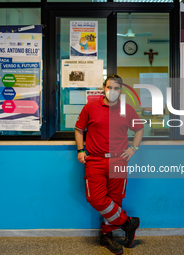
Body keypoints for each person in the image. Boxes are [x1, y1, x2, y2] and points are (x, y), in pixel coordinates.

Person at [75, 74, 144, 254]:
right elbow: (79, 129)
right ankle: (128, 223)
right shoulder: (91, 107)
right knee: (96, 199)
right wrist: (80, 150)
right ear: (103, 88)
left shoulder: (127, 109)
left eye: (116, 88)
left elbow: (139, 128)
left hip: (118, 160)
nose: (112, 91)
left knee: (115, 200)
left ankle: (107, 237)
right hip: (95, 160)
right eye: (109, 87)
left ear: (121, 90)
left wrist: (133, 148)